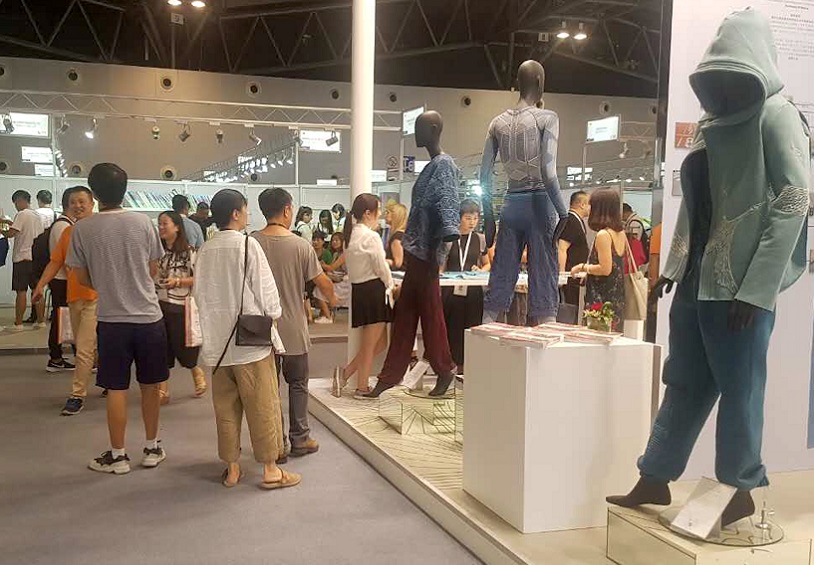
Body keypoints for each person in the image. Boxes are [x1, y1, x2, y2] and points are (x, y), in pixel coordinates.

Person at [67, 163, 168, 475]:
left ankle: (118, 455)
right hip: (149, 318)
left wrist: (107, 284)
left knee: (116, 388)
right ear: (125, 189)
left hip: (111, 320)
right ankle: (152, 448)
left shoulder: (82, 229)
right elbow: (153, 269)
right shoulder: (143, 222)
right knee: (150, 385)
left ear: (94, 194)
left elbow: (81, 276)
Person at [194, 188, 299, 489]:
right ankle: (270, 470)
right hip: (250, 343)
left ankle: (232, 468)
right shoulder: (247, 245)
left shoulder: (205, 250)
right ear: (236, 213)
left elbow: (199, 296)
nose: (248, 214)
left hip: (218, 346)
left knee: (226, 410)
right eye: (245, 208)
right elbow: (268, 296)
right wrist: (274, 316)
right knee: (263, 406)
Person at [366, 111, 460, 398]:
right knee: (407, 314)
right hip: (419, 250)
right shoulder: (434, 165)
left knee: (427, 314)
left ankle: (442, 368)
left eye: (419, 128)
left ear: (433, 128)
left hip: (427, 251)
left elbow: (447, 200)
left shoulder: (443, 165)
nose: (415, 133)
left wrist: (448, 232)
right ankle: (393, 375)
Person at [253, 188, 337, 459]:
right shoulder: (301, 246)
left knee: (268, 389)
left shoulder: (250, 242)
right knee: (298, 384)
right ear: (288, 210)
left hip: (259, 328)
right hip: (293, 329)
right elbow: (323, 282)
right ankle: (300, 438)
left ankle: (275, 444)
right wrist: (333, 299)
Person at [33, 186, 98, 416]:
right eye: (73, 202)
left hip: (98, 298)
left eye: (82, 201)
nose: (77, 206)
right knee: (86, 345)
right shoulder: (69, 232)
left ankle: (77, 395)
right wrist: (40, 285)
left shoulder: (100, 230)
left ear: (92, 204)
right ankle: (110, 380)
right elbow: (55, 262)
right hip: (74, 297)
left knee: (84, 348)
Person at [333, 194, 394, 398]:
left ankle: (346, 373)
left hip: (360, 291)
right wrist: (391, 284)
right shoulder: (371, 236)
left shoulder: (350, 236)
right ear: (368, 213)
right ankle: (361, 386)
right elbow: (380, 266)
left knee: (380, 342)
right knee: (370, 345)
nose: (381, 214)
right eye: (378, 209)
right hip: (374, 290)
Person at [155, 211, 207, 404]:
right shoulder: (156, 252)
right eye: (159, 224)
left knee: (184, 348)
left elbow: (199, 278)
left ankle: (196, 372)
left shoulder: (189, 252)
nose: (161, 227)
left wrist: (177, 282)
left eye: (165, 223)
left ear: (177, 227)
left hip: (181, 306)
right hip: (158, 305)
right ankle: (163, 388)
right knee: (161, 348)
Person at [442, 199, 490, 373]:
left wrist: (480, 270)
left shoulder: (480, 239)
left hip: (473, 290)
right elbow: (442, 267)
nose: (472, 222)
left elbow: (487, 263)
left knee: (471, 327)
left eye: (475, 218)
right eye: (468, 218)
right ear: (459, 218)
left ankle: (468, 366)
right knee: (452, 327)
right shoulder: (449, 238)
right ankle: (449, 365)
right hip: (451, 289)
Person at [570, 189, 627, 331]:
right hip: (616, 296)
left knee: (597, 334)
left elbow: (605, 269)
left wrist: (582, 267)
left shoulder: (603, 235)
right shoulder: (620, 233)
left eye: (591, 205)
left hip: (601, 299)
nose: (589, 208)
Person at [42, 188, 77, 371]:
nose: (79, 206)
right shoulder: (63, 226)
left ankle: (59, 356)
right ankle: (56, 357)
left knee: (63, 318)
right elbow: (66, 259)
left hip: (61, 278)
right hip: (63, 279)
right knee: (62, 318)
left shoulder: (64, 224)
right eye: (75, 202)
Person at [0, 190, 45, 331]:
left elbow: (11, 233)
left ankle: (18, 324)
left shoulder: (22, 214)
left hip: (22, 258)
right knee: (37, 290)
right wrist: (8, 222)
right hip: (35, 258)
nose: (15, 206)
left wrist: (1, 230)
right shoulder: (36, 215)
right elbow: (23, 228)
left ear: (19, 200)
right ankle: (41, 321)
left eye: (15, 203)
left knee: (21, 291)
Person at [557, 191, 591, 307]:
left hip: (575, 274)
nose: (591, 208)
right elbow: (562, 248)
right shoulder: (571, 221)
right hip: (569, 274)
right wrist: (562, 275)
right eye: (589, 204)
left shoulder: (577, 221)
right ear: (582, 204)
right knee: (569, 306)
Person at [385, 202, 407, 270]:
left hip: (398, 274)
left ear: (395, 215)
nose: (385, 215)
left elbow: (397, 263)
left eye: (387, 212)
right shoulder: (403, 234)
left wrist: (382, 261)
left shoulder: (397, 237)